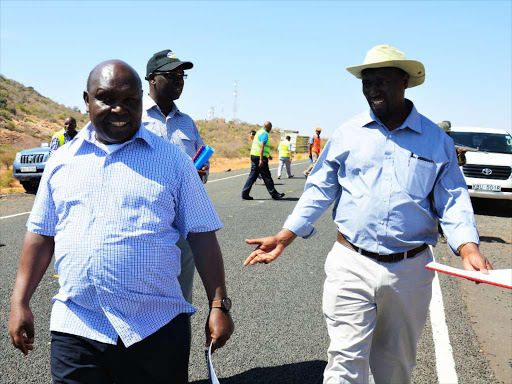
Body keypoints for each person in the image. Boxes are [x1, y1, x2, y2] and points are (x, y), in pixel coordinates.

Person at [243, 45, 491, 384]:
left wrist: (468, 248)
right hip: (351, 263)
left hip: (411, 269)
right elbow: (319, 189)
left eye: (383, 81)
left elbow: (452, 200)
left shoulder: (436, 141)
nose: (373, 90)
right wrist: (285, 236)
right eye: (367, 82)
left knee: (395, 364)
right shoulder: (348, 134)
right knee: (344, 362)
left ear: (404, 81)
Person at [8, 60, 234, 384]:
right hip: (77, 328)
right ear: (87, 100)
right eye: (106, 98)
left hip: (157, 328)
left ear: (142, 100)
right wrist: (20, 301)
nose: (119, 109)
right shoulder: (61, 162)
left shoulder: (173, 161)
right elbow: (41, 236)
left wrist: (219, 305)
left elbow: (201, 236)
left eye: (130, 101)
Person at [142, 49, 208, 305]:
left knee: (181, 300)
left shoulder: (187, 123)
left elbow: (201, 161)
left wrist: (201, 171)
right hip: (144, 225)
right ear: (152, 79)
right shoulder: (135, 118)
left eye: (182, 75)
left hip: (182, 226)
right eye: (171, 74)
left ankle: (177, 345)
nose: (179, 79)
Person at [241, 121, 285, 200]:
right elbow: (261, 146)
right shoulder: (265, 133)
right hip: (259, 157)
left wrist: (268, 155)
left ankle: (245, 193)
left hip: (254, 155)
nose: (270, 130)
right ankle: (274, 194)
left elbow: (259, 146)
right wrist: (261, 159)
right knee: (267, 176)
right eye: (270, 128)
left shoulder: (258, 132)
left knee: (252, 175)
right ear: (268, 127)